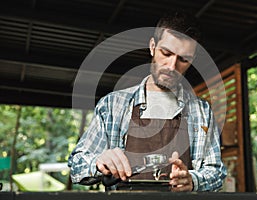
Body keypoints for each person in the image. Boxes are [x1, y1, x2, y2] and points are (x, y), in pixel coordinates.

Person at [68, 11, 227, 192]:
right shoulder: (112, 106)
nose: (171, 66)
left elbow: (216, 172)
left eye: (183, 59)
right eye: (166, 53)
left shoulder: (202, 111)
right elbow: (77, 166)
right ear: (152, 46)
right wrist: (99, 162)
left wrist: (194, 180)